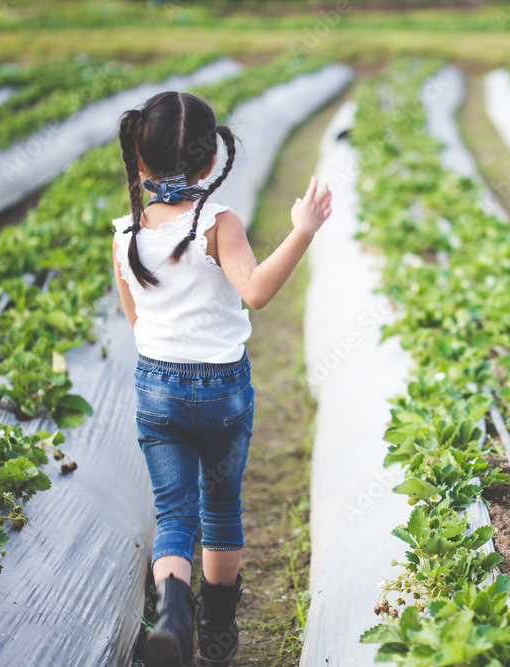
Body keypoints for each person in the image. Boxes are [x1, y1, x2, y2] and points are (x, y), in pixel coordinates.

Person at [111, 90, 330, 667]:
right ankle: (216, 630)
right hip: (221, 388)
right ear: (212, 160)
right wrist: (303, 230)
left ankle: (171, 615)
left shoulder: (125, 235)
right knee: (221, 506)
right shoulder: (219, 222)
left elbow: (136, 323)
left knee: (174, 514)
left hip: (156, 385)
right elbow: (255, 291)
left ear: (139, 160)